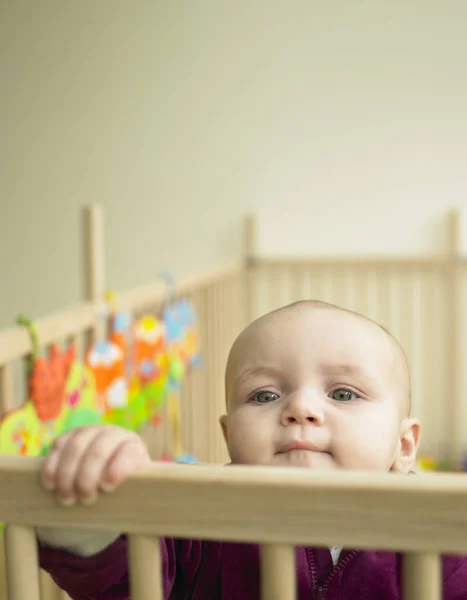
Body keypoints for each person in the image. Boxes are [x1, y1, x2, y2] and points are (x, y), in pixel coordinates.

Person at [37, 300, 467, 599]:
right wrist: (89, 494)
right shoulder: (199, 524)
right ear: (228, 438)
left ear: (404, 444)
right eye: (264, 396)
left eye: (343, 393)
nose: (300, 408)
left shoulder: (443, 536)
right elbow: (115, 579)